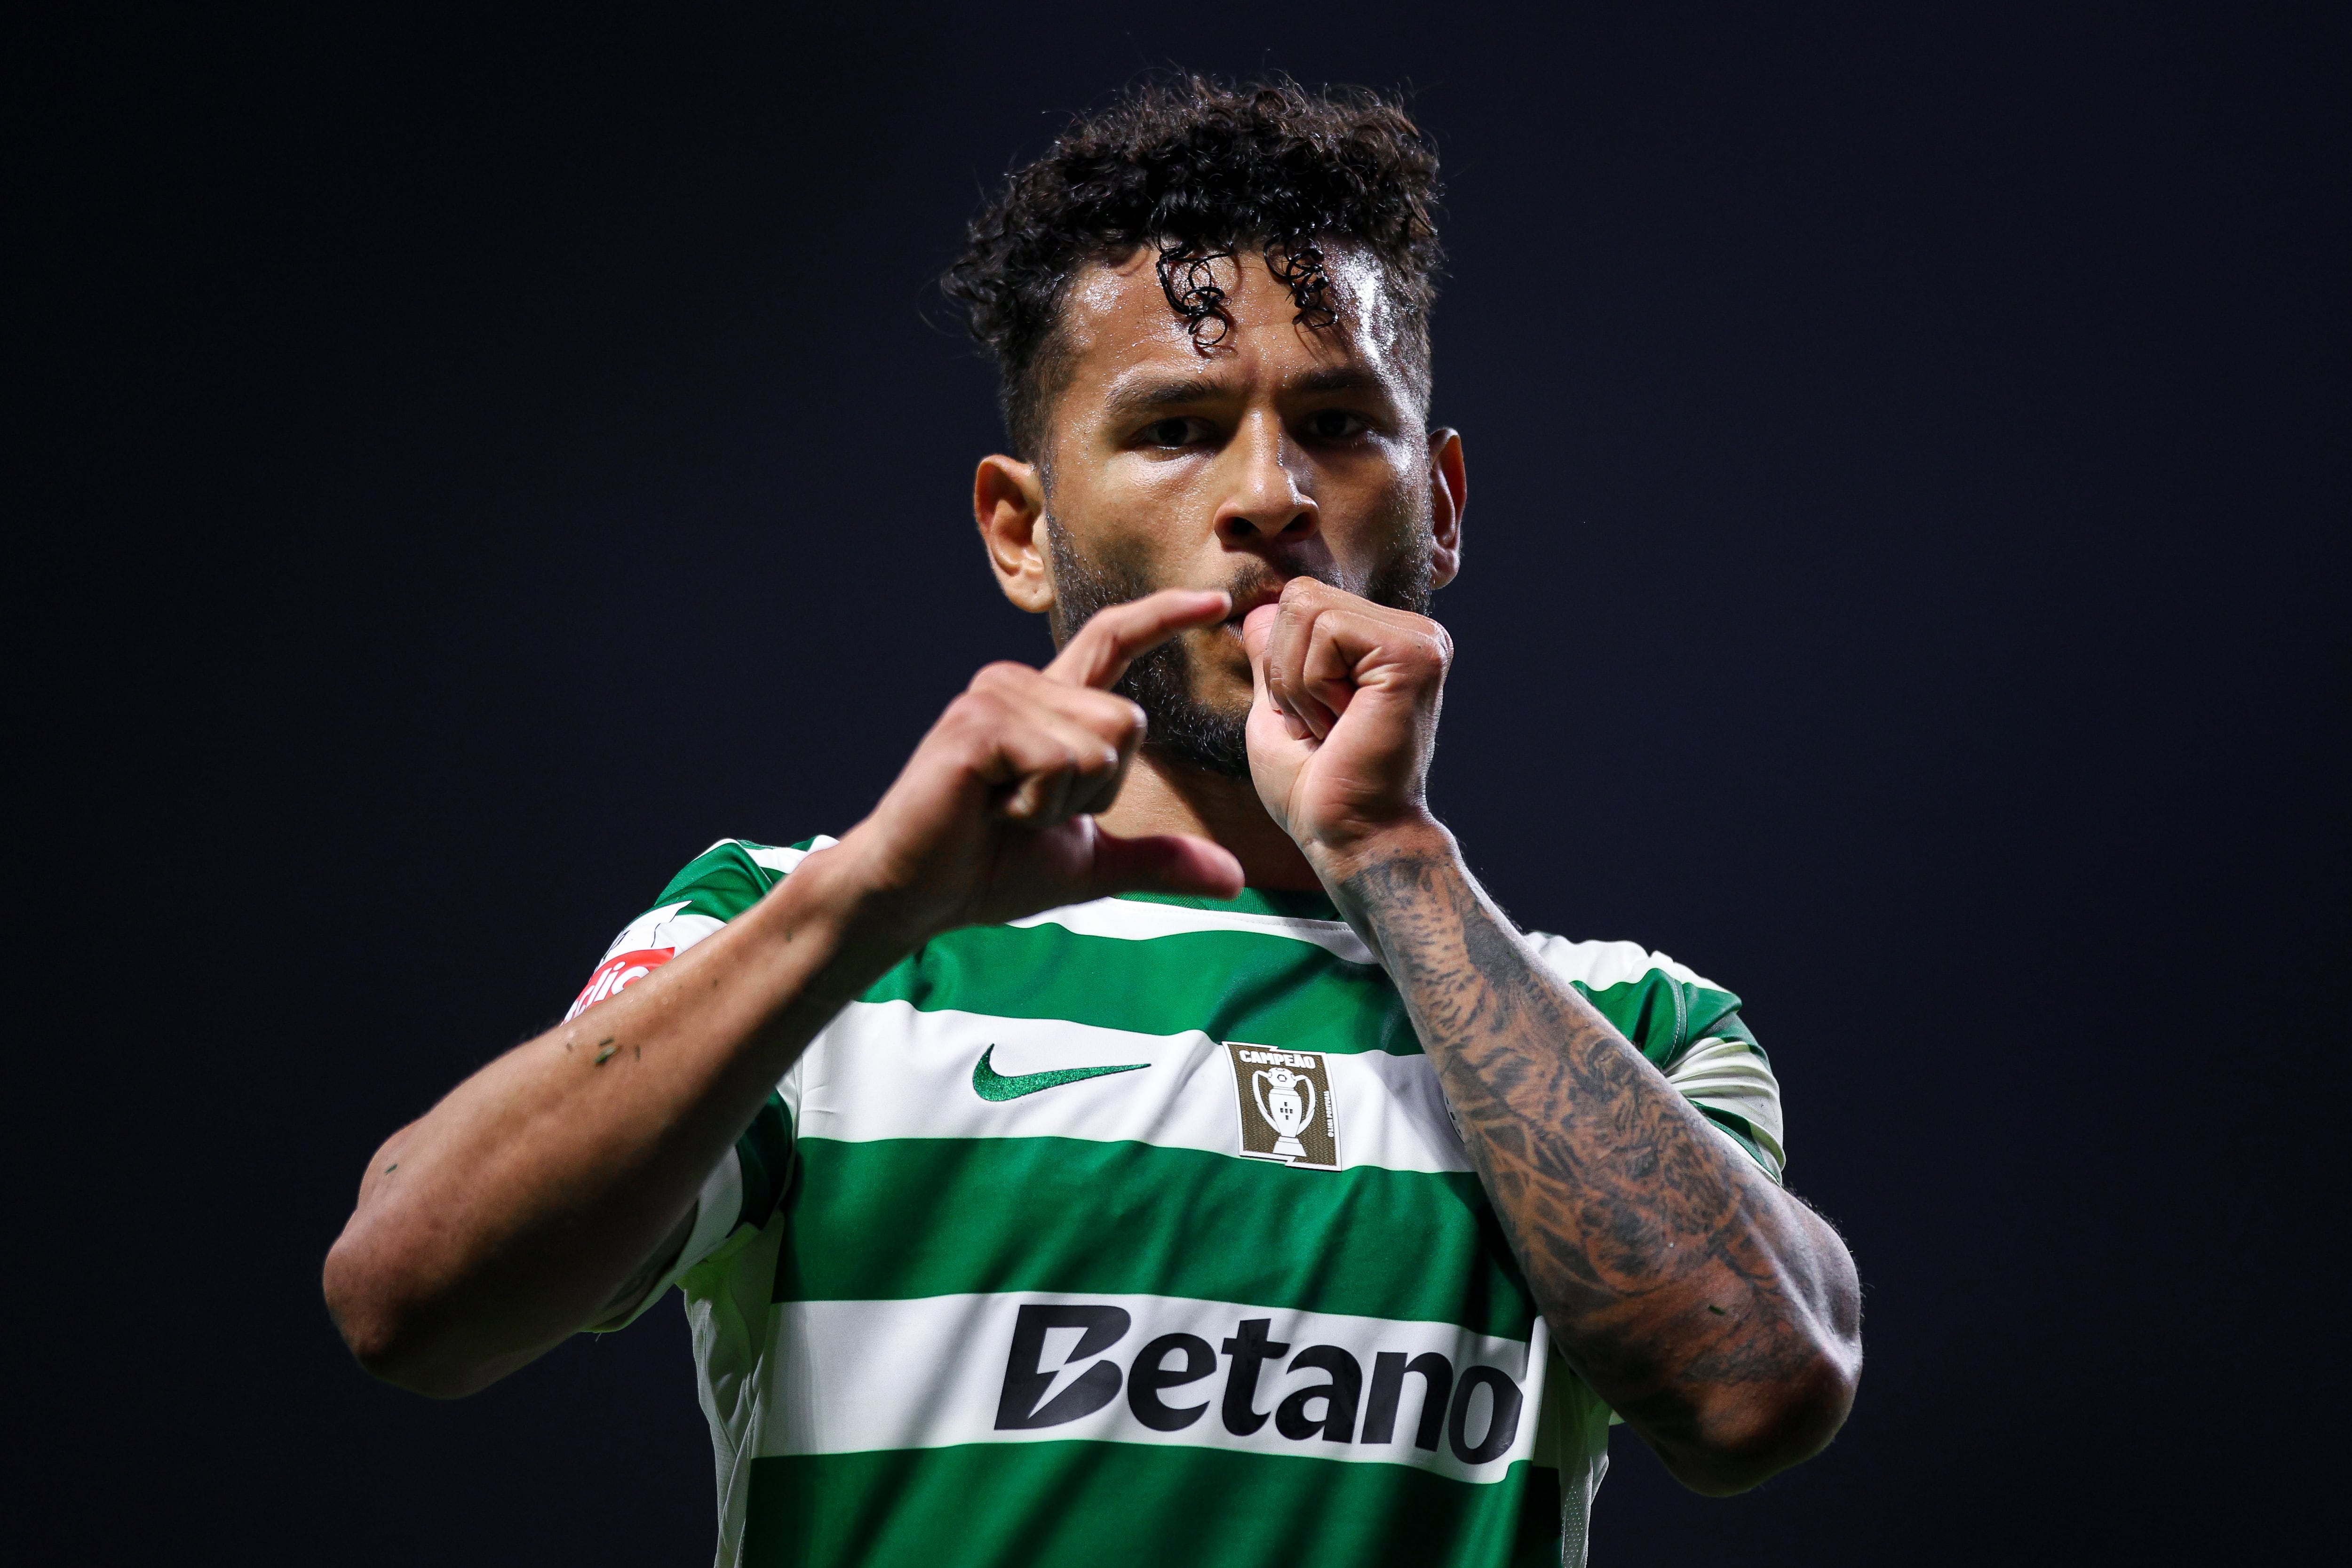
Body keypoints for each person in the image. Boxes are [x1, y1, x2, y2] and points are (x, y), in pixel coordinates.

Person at [324, 76, 1862, 1568]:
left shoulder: (1634, 1027)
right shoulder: (798, 941)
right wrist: (863, 902)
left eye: (1337, 421)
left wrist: (1392, 858)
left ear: (1441, 507)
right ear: (1022, 525)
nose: (1270, 492)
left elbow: (1756, 1395)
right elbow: (410, 1301)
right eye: (1179, 429)